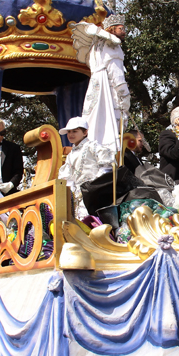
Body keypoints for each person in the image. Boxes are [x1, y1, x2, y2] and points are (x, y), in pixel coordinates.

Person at [72, 14, 131, 154]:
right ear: (111, 29)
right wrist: (125, 98)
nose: (124, 32)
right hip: (107, 89)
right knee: (109, 125)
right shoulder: (113, 45)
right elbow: (117, 77)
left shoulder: (96, 46)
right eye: (121, 29)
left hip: (95, 87)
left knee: (92, 121)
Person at [58, 116, 115, 220]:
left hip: (94, 193)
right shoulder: (70, 154)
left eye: (75, 131)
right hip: (76, 196)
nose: (71, 134)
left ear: (85, 132)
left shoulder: (93, 146)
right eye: (69, 132)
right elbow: (66, 177)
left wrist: (93, 185)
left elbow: (107, 165)